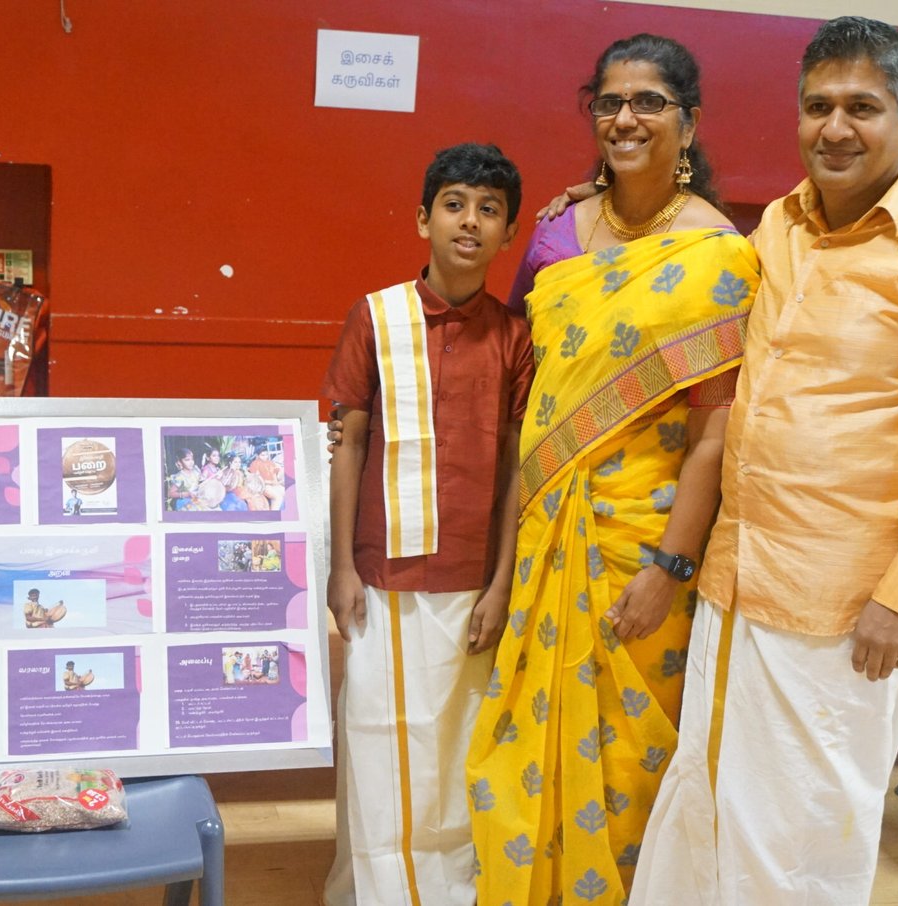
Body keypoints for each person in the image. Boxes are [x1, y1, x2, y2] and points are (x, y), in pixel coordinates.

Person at [628, 18, 898, 905]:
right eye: (818, 107)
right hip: (738, 580)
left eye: (862, 108)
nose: (835, 128)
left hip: (847, 607)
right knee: (707, 798)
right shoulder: (782, 225)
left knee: (801, 833)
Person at [455, 35, 756, 906]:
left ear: (688, 123)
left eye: (649, 101)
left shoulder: (720, 255)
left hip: (644, 542)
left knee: (631, 759)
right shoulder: (556, 234)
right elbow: (530, 385)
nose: (626, 118)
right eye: (610, 102)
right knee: (521, 743)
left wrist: (670, 567)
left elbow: (714, 432)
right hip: (547, 524)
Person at [322, 142, 532, 906]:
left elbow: (514, 468)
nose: (469, 222)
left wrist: (502, 584)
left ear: (508, 233)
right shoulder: (375, 317)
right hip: (381, 579)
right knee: (378, 745)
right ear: (423, 218)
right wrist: (341, 567)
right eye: (454, 205)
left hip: (470, 584)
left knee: (454, 752)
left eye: (488, 210)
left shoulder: (513, 338)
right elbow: (348, 444)